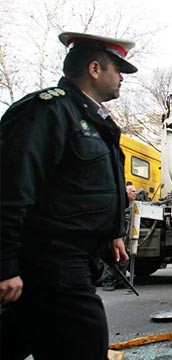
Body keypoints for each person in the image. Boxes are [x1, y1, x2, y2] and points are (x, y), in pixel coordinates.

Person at [0, 32, 135, 359]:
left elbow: (84, 186)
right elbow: (11, 189)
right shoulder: (47, 112)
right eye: (117, 69)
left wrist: (112, 234)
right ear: (94, 68)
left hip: (74, 259)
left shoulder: (93, 118)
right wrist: (4, 264)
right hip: (52, 261)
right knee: (85, 344)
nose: (122, 79)